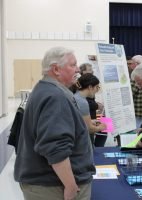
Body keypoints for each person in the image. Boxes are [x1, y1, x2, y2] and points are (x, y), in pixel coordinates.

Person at [14, 47, 95, 200]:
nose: (78, 69)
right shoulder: (55, 97)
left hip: (46, 183)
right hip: (54, 187)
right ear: (56, 69)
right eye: (73, 65)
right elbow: (55, 147)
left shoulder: (44, 89)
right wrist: (70, 186)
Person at [74, 73, 107, 147]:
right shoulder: (82, 102)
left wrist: (91, 121)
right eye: (97, 87)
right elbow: (89, 129)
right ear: (90, 87)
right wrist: (103, 127)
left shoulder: (76, 96)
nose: (97, 90)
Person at [128, 55, 142, 128]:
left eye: (131, 64)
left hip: (138, 114)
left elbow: (129, 94)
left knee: (136, 137)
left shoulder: (136, 75)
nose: (129, 66)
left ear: (136, 64)